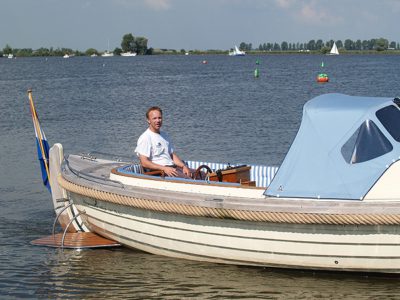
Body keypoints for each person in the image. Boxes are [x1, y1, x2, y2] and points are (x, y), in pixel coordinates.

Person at [135, 106, 193, 178]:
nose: (158, 121)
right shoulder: (145, 137)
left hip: (172, 168)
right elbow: (144, 162)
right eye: (154, 118)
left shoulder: (165, 135)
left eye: (159, 118)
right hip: (160, 172)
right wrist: (164, 169)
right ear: (148, 120)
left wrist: (184, 166)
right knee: (188, 178)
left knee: (201, 174)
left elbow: (171, 155)